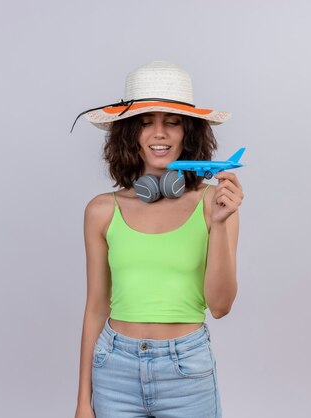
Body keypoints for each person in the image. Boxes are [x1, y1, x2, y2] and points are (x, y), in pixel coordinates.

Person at [73, 61, 244, 418]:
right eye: (146, 123)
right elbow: (95, 308)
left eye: (172, 122)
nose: (159, 134)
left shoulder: (216, 203)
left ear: (189, 132)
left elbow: (220, 305)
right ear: (129, 134)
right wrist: (82, 403)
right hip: (113, 369)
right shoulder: (102, 210)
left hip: (186, 373)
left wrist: (220, 225)